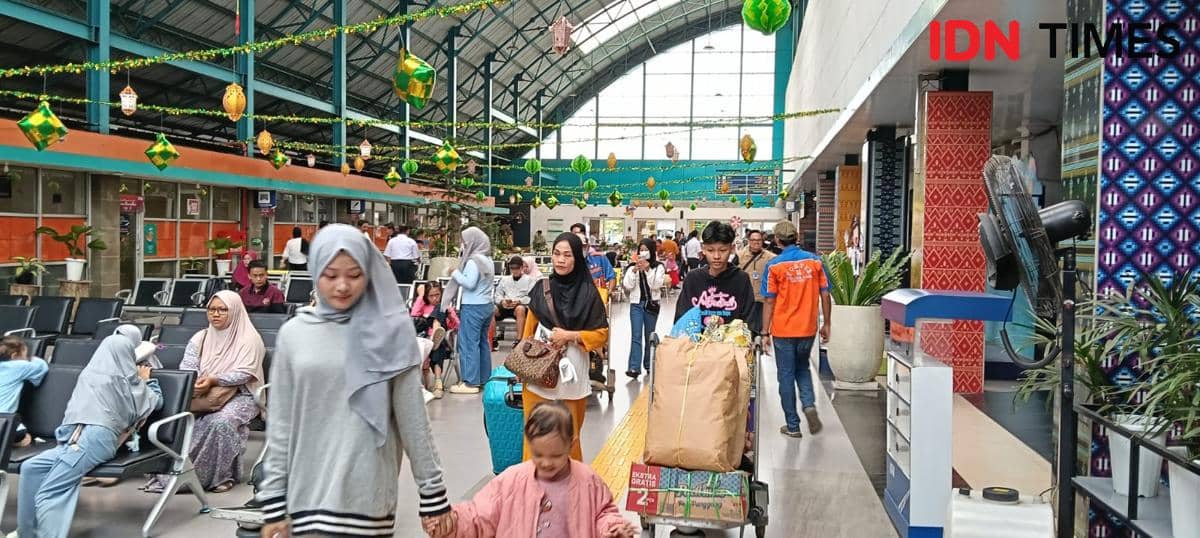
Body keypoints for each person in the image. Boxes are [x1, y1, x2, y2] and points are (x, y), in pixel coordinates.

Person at [256, 224, 451, 538]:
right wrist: (274, 500)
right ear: (316, 269)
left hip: (368, 497)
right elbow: (281, 426)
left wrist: (433, 496)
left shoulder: (391, 332)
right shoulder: (295, 334)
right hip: (306, 496)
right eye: (331, 275)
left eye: (355, 274)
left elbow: (414, 421)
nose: (343, 286)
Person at [18, 330, 162, 538]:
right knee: (31, 468)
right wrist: (148, 381)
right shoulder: (129, 381)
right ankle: (28, 534)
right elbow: (155, 402)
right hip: (80, 439)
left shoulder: (90, 373)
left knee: (51, 491)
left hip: (90, 440)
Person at [440, 402, 637, 538]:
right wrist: (451, 521)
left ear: (571, 444)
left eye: (556, 456)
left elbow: (603, 513)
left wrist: (613, 529)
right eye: (538, 455)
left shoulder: (587, 480)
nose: (546, 463)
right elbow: (479, 514)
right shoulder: (511, 480)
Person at [146, 291, 265, 493]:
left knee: (220, 423)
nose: (215, 314)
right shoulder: (200, 338)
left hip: (242, 394)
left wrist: (214, 379)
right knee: (176, 417)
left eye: (222, 310)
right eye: (211, 309)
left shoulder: (250, 339)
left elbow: (245, 373)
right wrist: (196, 381)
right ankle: (181, 472)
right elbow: (188, 366)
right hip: (203, 394)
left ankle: (221, 476)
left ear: (235, 311)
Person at [517, 233, 608, 462]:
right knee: (533, 433)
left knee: (570, 435)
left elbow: (601, 335)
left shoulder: (589, 294)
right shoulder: (542, 288)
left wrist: (570, 336)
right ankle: (533, 489)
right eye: (557, 254)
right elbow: (529, 329)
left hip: (572, 376)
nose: (560, 260)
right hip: (538, 371)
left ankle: (569, 490)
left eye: (567, 255)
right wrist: (521, 366)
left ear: (577, 258)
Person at [761, 220, 832, 438]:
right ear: (797, 237)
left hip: (783, 330)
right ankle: (809, 405)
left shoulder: (773, 266)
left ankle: (792, 425)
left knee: (785, 376)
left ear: (777, 241)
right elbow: (825, 294)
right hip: (808, 329)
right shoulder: (815, 262)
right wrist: (827, 323)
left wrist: (765, 332)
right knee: (803, 368)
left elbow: (769, 302)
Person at [674, 221, 756, 326]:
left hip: (731, 341)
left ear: (732, 249)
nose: (716, 256)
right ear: (703, 249)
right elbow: (681, 318)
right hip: (697, 341)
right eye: (710, 250)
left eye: (722, 250)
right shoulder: (693, 278)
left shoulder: (741, 279)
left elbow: (749, 319)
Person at [445, 227, 495, 395]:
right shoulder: (487, 259)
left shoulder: (474, 261)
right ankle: (484, 378)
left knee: (468, 344)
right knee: (482, 343)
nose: (463, 244)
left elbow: (469, 283)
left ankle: (470, 382)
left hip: (473, 307)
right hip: (487, 306)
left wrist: (455, 273)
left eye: (465, 241)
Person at [623, 238, 664, 379]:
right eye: (641, 249)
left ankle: (649, 364)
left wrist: (647, 269)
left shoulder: (658, 267)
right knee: (636, 336)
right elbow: (627, 285)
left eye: (646, 249)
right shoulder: (631, 267)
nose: (643, 252)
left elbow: (656, 285)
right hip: (636, 305)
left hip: (651, 305)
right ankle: (634, 367)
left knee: (649, 336)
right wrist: (634, 270)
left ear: (652, 251)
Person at [412, 282, 459, 399]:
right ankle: (434, 337)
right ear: (426, 297)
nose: (434, 298)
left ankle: (438, 383)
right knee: (422, 325)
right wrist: (420, 296)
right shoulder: (423, 305)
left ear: (441, 294)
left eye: (437, 295)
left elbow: (457, 326)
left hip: (441, 339)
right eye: (431, 296)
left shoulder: (445, 306)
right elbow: (413, 316)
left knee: (440, 308)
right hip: (424, 339)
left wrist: (450, 315)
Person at [0, 336, 48, 447]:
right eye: (25, 356)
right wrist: (30, 358)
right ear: (14, 356)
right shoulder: (18, 366)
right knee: (24, 437)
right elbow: (42, 366)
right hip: (3, 424)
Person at [738, 229, 778, 334]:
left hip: (763, 301)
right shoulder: (740, 256)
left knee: (762, 330)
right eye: (753, 240)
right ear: (749, 241)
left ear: (762, 241)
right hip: (745, 301)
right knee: (746, 332)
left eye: (759, 240)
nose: (756, 242)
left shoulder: (771, 258)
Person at [493, 256, 535, 351]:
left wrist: (520, 301)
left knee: (520, 309)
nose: (514, 271)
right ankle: (493, 339)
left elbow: (531, 297)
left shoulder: (529, 280)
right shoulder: (505, 280)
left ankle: (519, 340)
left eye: (516, 268)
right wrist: (502, 301)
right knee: (491, 310)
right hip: (505, 305)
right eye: (512, 268)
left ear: (521, 268)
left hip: (520, 306)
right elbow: (497, 295)